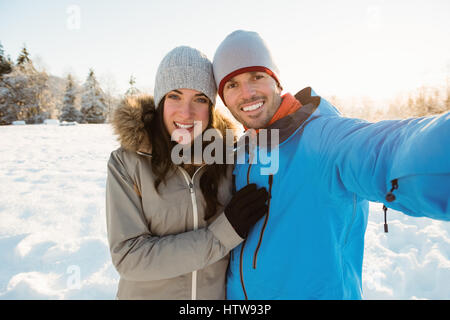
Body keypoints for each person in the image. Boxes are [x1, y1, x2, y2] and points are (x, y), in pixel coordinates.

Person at [212, 30, 450, 299]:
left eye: (257, 76)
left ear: (276, 82)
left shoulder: (323, 139)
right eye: (232, 85)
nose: (247, 92)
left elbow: (390, 150)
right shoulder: (241, 152)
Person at [105, 46, 268, 299]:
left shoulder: (229, 159)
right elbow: (129, 257)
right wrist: (223, 234)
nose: (186, 112)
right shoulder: (127, 163)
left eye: (200, 99)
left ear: (211, 108)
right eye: (175, 96)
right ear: (160, 101)